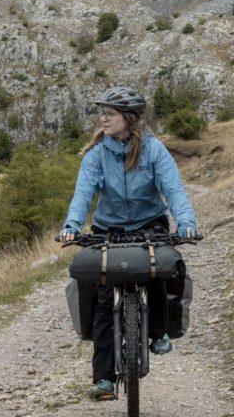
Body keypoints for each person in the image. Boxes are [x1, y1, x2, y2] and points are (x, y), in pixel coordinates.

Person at [60, 86, 198, 400]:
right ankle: (104, 379)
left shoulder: (154, 150)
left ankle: (159, 330)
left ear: (129, 118)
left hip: (150, 223)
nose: (103, 118)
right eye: (102, 112)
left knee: (160, 268)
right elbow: (83, 195)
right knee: (105, 298)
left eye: (110, 113)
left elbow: (173, 189)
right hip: (109, 228)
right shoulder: (96, 155)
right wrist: (71, 226)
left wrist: (186, 222)